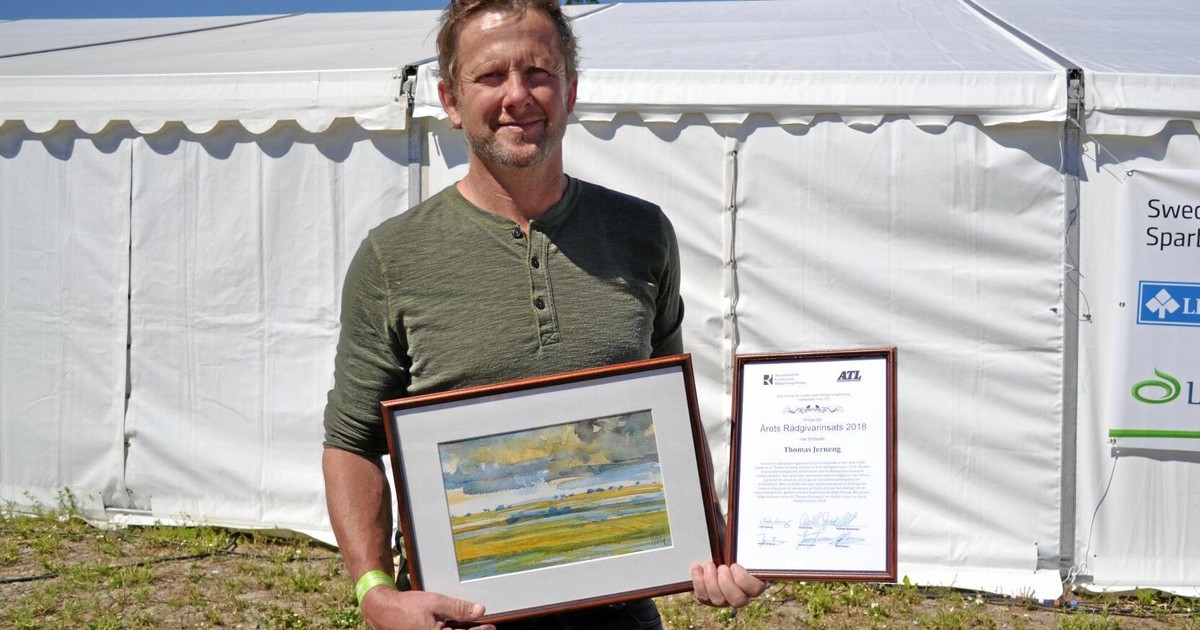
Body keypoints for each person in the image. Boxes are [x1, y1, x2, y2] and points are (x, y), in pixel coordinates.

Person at [321, 0, 767, 628]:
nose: (517, 96)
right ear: (450, 100)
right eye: (489, 76)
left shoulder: (641, 233)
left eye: (538, 72)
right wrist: (374, 590)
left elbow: (670, 408)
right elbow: (351, 442)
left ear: (570, 90)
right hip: (461, 619)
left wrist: (712, 538)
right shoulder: (392, 258)